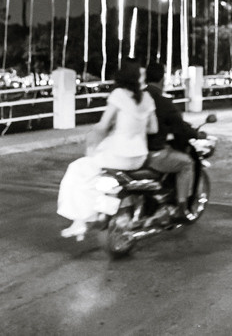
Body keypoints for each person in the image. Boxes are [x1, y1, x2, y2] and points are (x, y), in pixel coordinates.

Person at [57, 59, 158, 241]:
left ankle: (80, 221)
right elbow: (153, 129)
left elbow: (102, 126)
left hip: (118, 155)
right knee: (93, 172)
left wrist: (98, 134)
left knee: (78, 170)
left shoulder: (119, 95)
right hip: (139, 157)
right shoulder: (148, 98)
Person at [144, 62, 199, 217]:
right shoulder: (163, 102)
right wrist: (196, 134)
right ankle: (181, 207)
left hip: (134, 152)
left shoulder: (138, 98)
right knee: (187, 163)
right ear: (162, 79)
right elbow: (180, 127)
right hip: (154, 154)